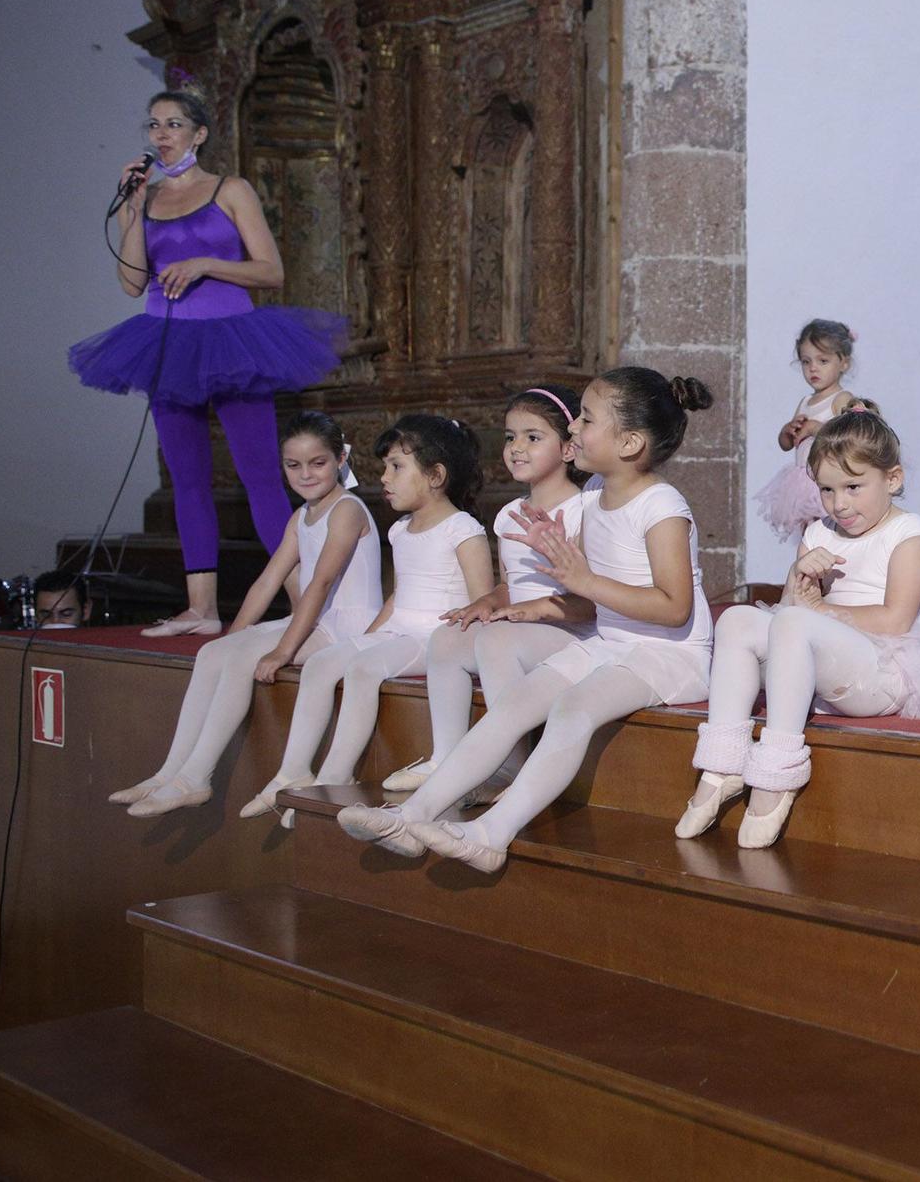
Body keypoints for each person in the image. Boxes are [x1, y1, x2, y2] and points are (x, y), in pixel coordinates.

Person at [337, 369, 715, 871]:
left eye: (585, 419)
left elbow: (674, 607)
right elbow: (582, 576)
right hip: (614, 642)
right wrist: (555, 554)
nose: (574, 429)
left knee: (572, 709)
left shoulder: (662, 505)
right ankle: (412, 816)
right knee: (514, 706)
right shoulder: (598, 491)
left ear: (628, 442)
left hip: (671, 655)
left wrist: (581, 581)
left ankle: (492, 833)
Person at [68, 86, 342, 636]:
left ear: (199, 134)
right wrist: (129, 212)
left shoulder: (229, 189)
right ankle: (202, 609)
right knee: (186, 479)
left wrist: (204, 264)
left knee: (262, 475)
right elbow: (130, 283)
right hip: (169, 344)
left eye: (172, 124)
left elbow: (271, 271)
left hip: (231, 340)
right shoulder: (144, 198)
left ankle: (304, 605)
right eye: (153, 125)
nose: (160, 135)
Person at [679, 404, 920, 847]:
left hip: (886, 673)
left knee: (795, 622)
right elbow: (789, 613)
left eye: (854, 487)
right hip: (826, 665)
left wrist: (818, 611)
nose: (840, 504)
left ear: (892, 479)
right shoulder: (819, 532)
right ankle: (722, 761)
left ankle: (778, 769)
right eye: (828, 490)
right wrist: (800, 581)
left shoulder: (910, 534)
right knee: (738, 618)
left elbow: (895, 621)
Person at [117, 412, 380, 815]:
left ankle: (195, 777)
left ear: (341, 459)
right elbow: (267, 580)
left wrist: (281, 651)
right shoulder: (301, 516)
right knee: (214, 653)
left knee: (243, 658)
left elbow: (321, 584)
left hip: (348, 623)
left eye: (318, 463)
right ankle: (170, 772)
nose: (305, 474)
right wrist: (235, 634)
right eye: (293, 465)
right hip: (319, 618)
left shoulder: (347, 509)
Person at [236, 416, 492, 818]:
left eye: (396, 467)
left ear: (435, 475)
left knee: (363, 666)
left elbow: (483, 601)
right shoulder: (400, 529)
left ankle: (334, 776)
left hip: (434, 638)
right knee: (322, 662)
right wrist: (369, 635)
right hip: (399, 632)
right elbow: (397, 595)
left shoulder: (462, 529)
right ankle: (293, 771)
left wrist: (464, 634)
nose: (384, 478)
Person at [383, 386, 596, 797]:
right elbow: (509, 584)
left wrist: (528, 611)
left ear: (569, 450)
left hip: (572, 631)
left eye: (533, 438)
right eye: (510, 437)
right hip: (524, 629)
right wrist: (485, 602)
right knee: (448, 638)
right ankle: (445, 754)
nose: (517, 448)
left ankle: (510, 765)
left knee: (498, 640)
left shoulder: (583, 509)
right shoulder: (508, 514)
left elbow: (588, 602)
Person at [753, 320, 857, 542]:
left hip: (828, 479)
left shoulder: (841, 399)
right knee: (809, 535)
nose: (813, 368)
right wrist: (788, 430)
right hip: (802, 479)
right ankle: (811, 572)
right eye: (806, 361)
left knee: (832, 532)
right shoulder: (806, 401)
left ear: (844, 363)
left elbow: (848, 438)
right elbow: (787, 444)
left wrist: (815, 428)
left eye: (823, 361)